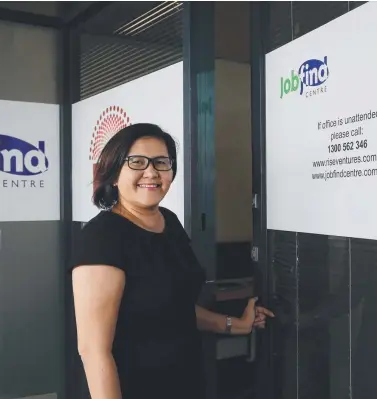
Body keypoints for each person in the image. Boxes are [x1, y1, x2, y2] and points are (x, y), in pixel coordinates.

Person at [70, 123, 274, 399]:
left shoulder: (170, 223)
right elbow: (94, 351)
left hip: (186, 381)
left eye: (161, 162)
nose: (152, 172)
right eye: (138, 162)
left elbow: (173, 308)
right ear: (114, 173)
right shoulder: (102, 237)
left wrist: (236, 324)